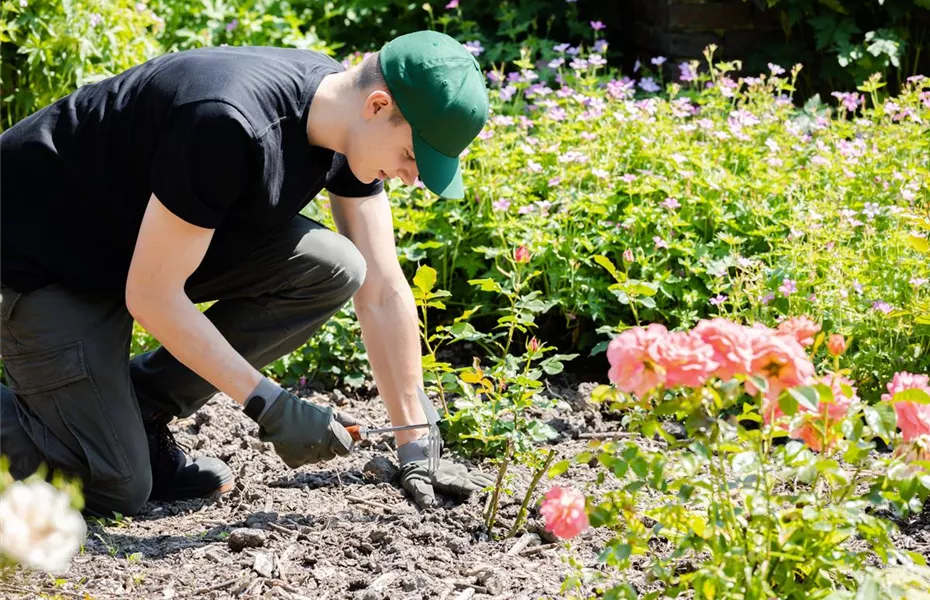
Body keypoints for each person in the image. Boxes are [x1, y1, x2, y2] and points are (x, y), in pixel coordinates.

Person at [0, 29, 495, 517]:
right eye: (411, 156)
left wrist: (415, 440)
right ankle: (98, 443)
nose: (412, 177)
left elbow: (383, 289)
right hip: (39, 261)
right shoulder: (228, 122)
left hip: (130, 247)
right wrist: (270, 404)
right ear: (378, 106)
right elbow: (152, 295)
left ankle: (138, 413)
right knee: (117, 486)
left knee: (335, 266)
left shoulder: (344, 127)